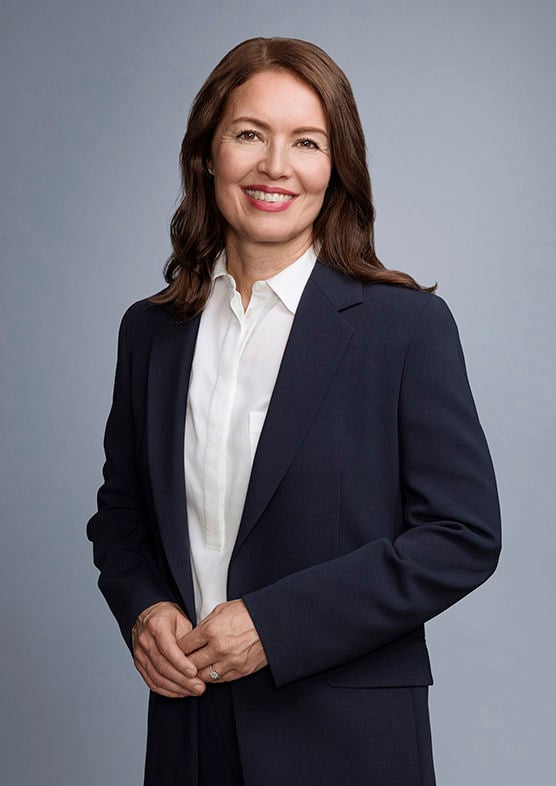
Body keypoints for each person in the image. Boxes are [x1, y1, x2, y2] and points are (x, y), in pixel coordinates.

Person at [87, 36, 501, 786]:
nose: (276, 166)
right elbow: (120, 521)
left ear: (335, 167)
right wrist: (144, 612)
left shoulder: (403, 328)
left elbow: (462, 536)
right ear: (209, 153)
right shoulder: (149, 332)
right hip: (189, 734)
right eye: (250, 135)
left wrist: (274, 628)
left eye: (306, 142)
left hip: (345, 743)